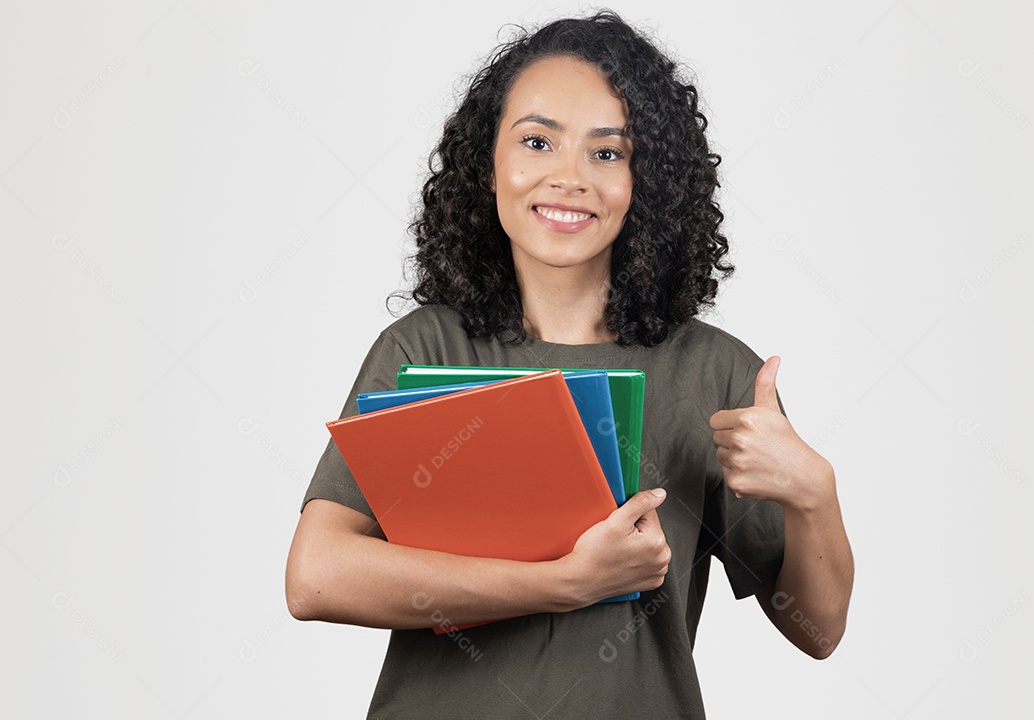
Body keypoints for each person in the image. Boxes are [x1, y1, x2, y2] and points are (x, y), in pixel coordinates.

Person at [286, 10, 854, 718]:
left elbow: (820, 630)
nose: (568, 177)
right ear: (486, 164)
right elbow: (316, 578)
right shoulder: (422, 350)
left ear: (648, 182)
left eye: (607, 153)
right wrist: (565, 582)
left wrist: (813, 495)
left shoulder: (715, 374)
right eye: (536, 141)